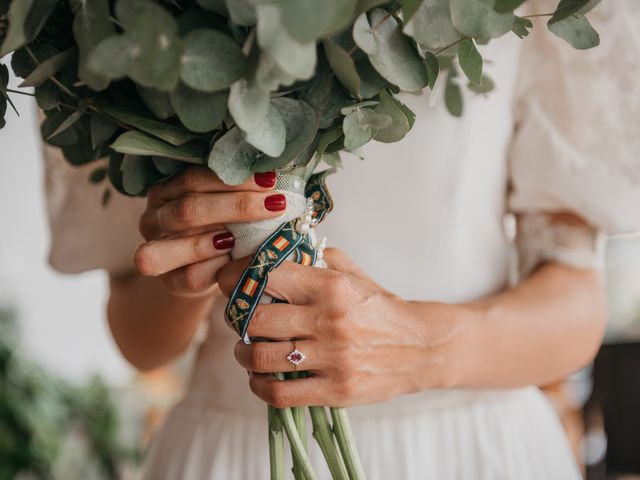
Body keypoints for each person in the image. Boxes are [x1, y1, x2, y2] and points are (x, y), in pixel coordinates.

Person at [44, 1, 640, 478]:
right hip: (239, 447)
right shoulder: (116, 16)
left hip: (474, 448)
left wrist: (423, 348)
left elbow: (576, 302)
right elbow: (140, 340)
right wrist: (213, 248)